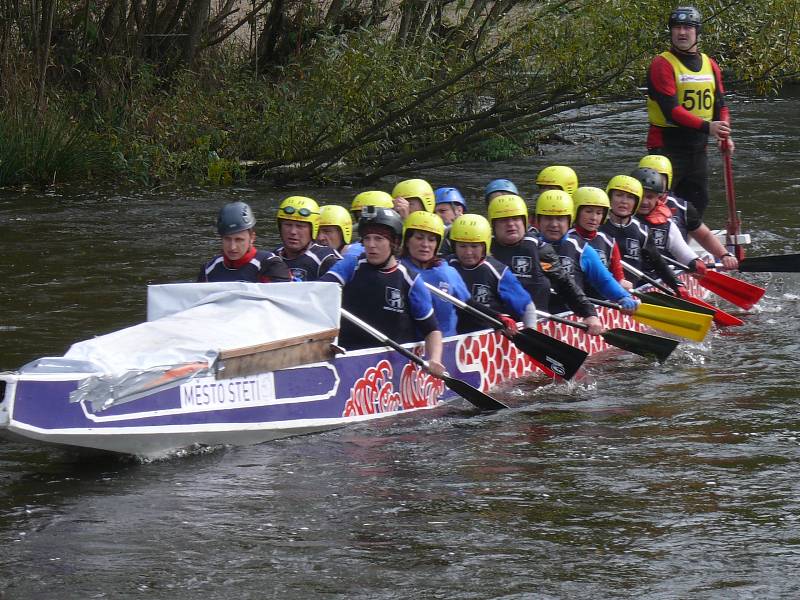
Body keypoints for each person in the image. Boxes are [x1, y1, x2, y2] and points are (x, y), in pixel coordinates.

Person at [321, 206, 444, 376]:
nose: (371, 245)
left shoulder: (410, 281)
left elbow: (432, 330)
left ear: (393, 243)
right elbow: (319, 291)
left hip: (389, 368)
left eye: (378, 239)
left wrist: (434, 360)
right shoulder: (351, 265)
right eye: (367, 239)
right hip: (347, 358)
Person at [646, 5, 733, 217]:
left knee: (697, 203)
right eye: (677, 28)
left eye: (688, 27)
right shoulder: (662, 64)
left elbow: (720, 106)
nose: (682, 32)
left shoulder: (710, 64)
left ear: (697, 32)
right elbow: (671, 111)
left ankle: (684, 245)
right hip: (666, 146)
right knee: (657, 204)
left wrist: (724, 133)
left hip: (697, 147)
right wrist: (708, 127)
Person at [487, 193, 603, 334]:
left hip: (536, 324)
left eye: (516, 218)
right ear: (493, 224)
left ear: (525, 222)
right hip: (494, 325)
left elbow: (564, 284)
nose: (511, 224)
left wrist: (589, 314)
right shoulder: (481, 249)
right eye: (503, 220)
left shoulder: (539, 250)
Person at [534, 190, 638, 314]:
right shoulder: (528, 245)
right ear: (538, 221)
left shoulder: (582, 249)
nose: (554, 224)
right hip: (534, 317)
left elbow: (603, 281)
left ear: (569, 220)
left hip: (572, 318)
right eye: (548, 218)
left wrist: (622, 297)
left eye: (560, 219)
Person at [638, 154, 738, 269]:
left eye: (658, 178)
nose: (652, 180)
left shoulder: (682, 208)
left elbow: (704, 236)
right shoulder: (628, 207)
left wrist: (724, 255)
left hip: (676, 269)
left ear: (668, 180)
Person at [447, 213, 538, 335]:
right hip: (453, 338)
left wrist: (531, 332)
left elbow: (527, 306)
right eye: (462, 246)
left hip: (488, 339)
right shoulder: (445, 266)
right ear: (454, 246)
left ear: (485, 246)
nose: (468, 252)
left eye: (474, 246)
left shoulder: (498, 271)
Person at [600, 175, 684, 294]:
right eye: (619, 195)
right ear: (609, 198)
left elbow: (658, 263)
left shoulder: (642, 231)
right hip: (602, 293)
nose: (624, 201)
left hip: (631, 292)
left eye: (630, 197)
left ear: (636, 203)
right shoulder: (598, 228)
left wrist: (677, 285)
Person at [399, 211, 470, 337]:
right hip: (407, 347)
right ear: (407, 241)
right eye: (419, 238)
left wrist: (497, 316)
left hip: (447, 345)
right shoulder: (397, 270)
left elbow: (469, 306)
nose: (425, 245)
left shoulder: (448, 273)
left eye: (431, 240)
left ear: (437, 245)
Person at [631, 166, 709, 281]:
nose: (644, 202)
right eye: (641, 195)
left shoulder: (667, 224)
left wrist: (694, 262)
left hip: (656, 278)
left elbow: (682, 251)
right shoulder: (617, 219)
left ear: (658, 198)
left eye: (650, 197)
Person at [198, 201, 291, 283]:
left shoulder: (271, 266)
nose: (232, 247)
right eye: (227, 239)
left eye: (239, 240)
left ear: (252, 238)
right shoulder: (208, 269)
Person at [571, 186, 629, 289]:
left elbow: (618, 277)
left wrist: (622, 284)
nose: (594, 218)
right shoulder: (567, 240)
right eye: (588, 211)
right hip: (575, 299)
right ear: (576, 211)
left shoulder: (609, 242)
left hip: (603, 300)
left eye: (599, 213)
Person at [274, 196, 341, 281]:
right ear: (280, 227)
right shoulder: (272, 258)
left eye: (300, 226)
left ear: (312, 230)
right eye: (288, 225)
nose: (293, 232)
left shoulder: (326, 259)